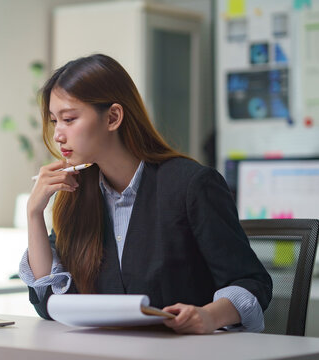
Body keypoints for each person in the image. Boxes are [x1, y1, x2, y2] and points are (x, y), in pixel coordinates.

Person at [18, 54, 272, 334]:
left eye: (69, 119)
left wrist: (209, 316)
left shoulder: (192, 185)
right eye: (55, 121)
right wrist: (34, 213)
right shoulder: (78, 192)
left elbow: (252, 283)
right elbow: (49, 301)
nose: (58, 135)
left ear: (113, 117)